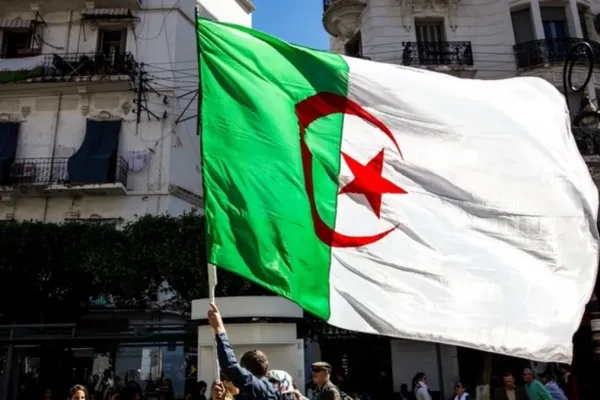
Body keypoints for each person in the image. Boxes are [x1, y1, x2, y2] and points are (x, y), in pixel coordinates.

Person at [207, 303, 279, 400]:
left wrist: (220, 329)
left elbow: (230, 366)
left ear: (247, 372)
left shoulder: (262, 390)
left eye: (241, 371)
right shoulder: (262, 392)